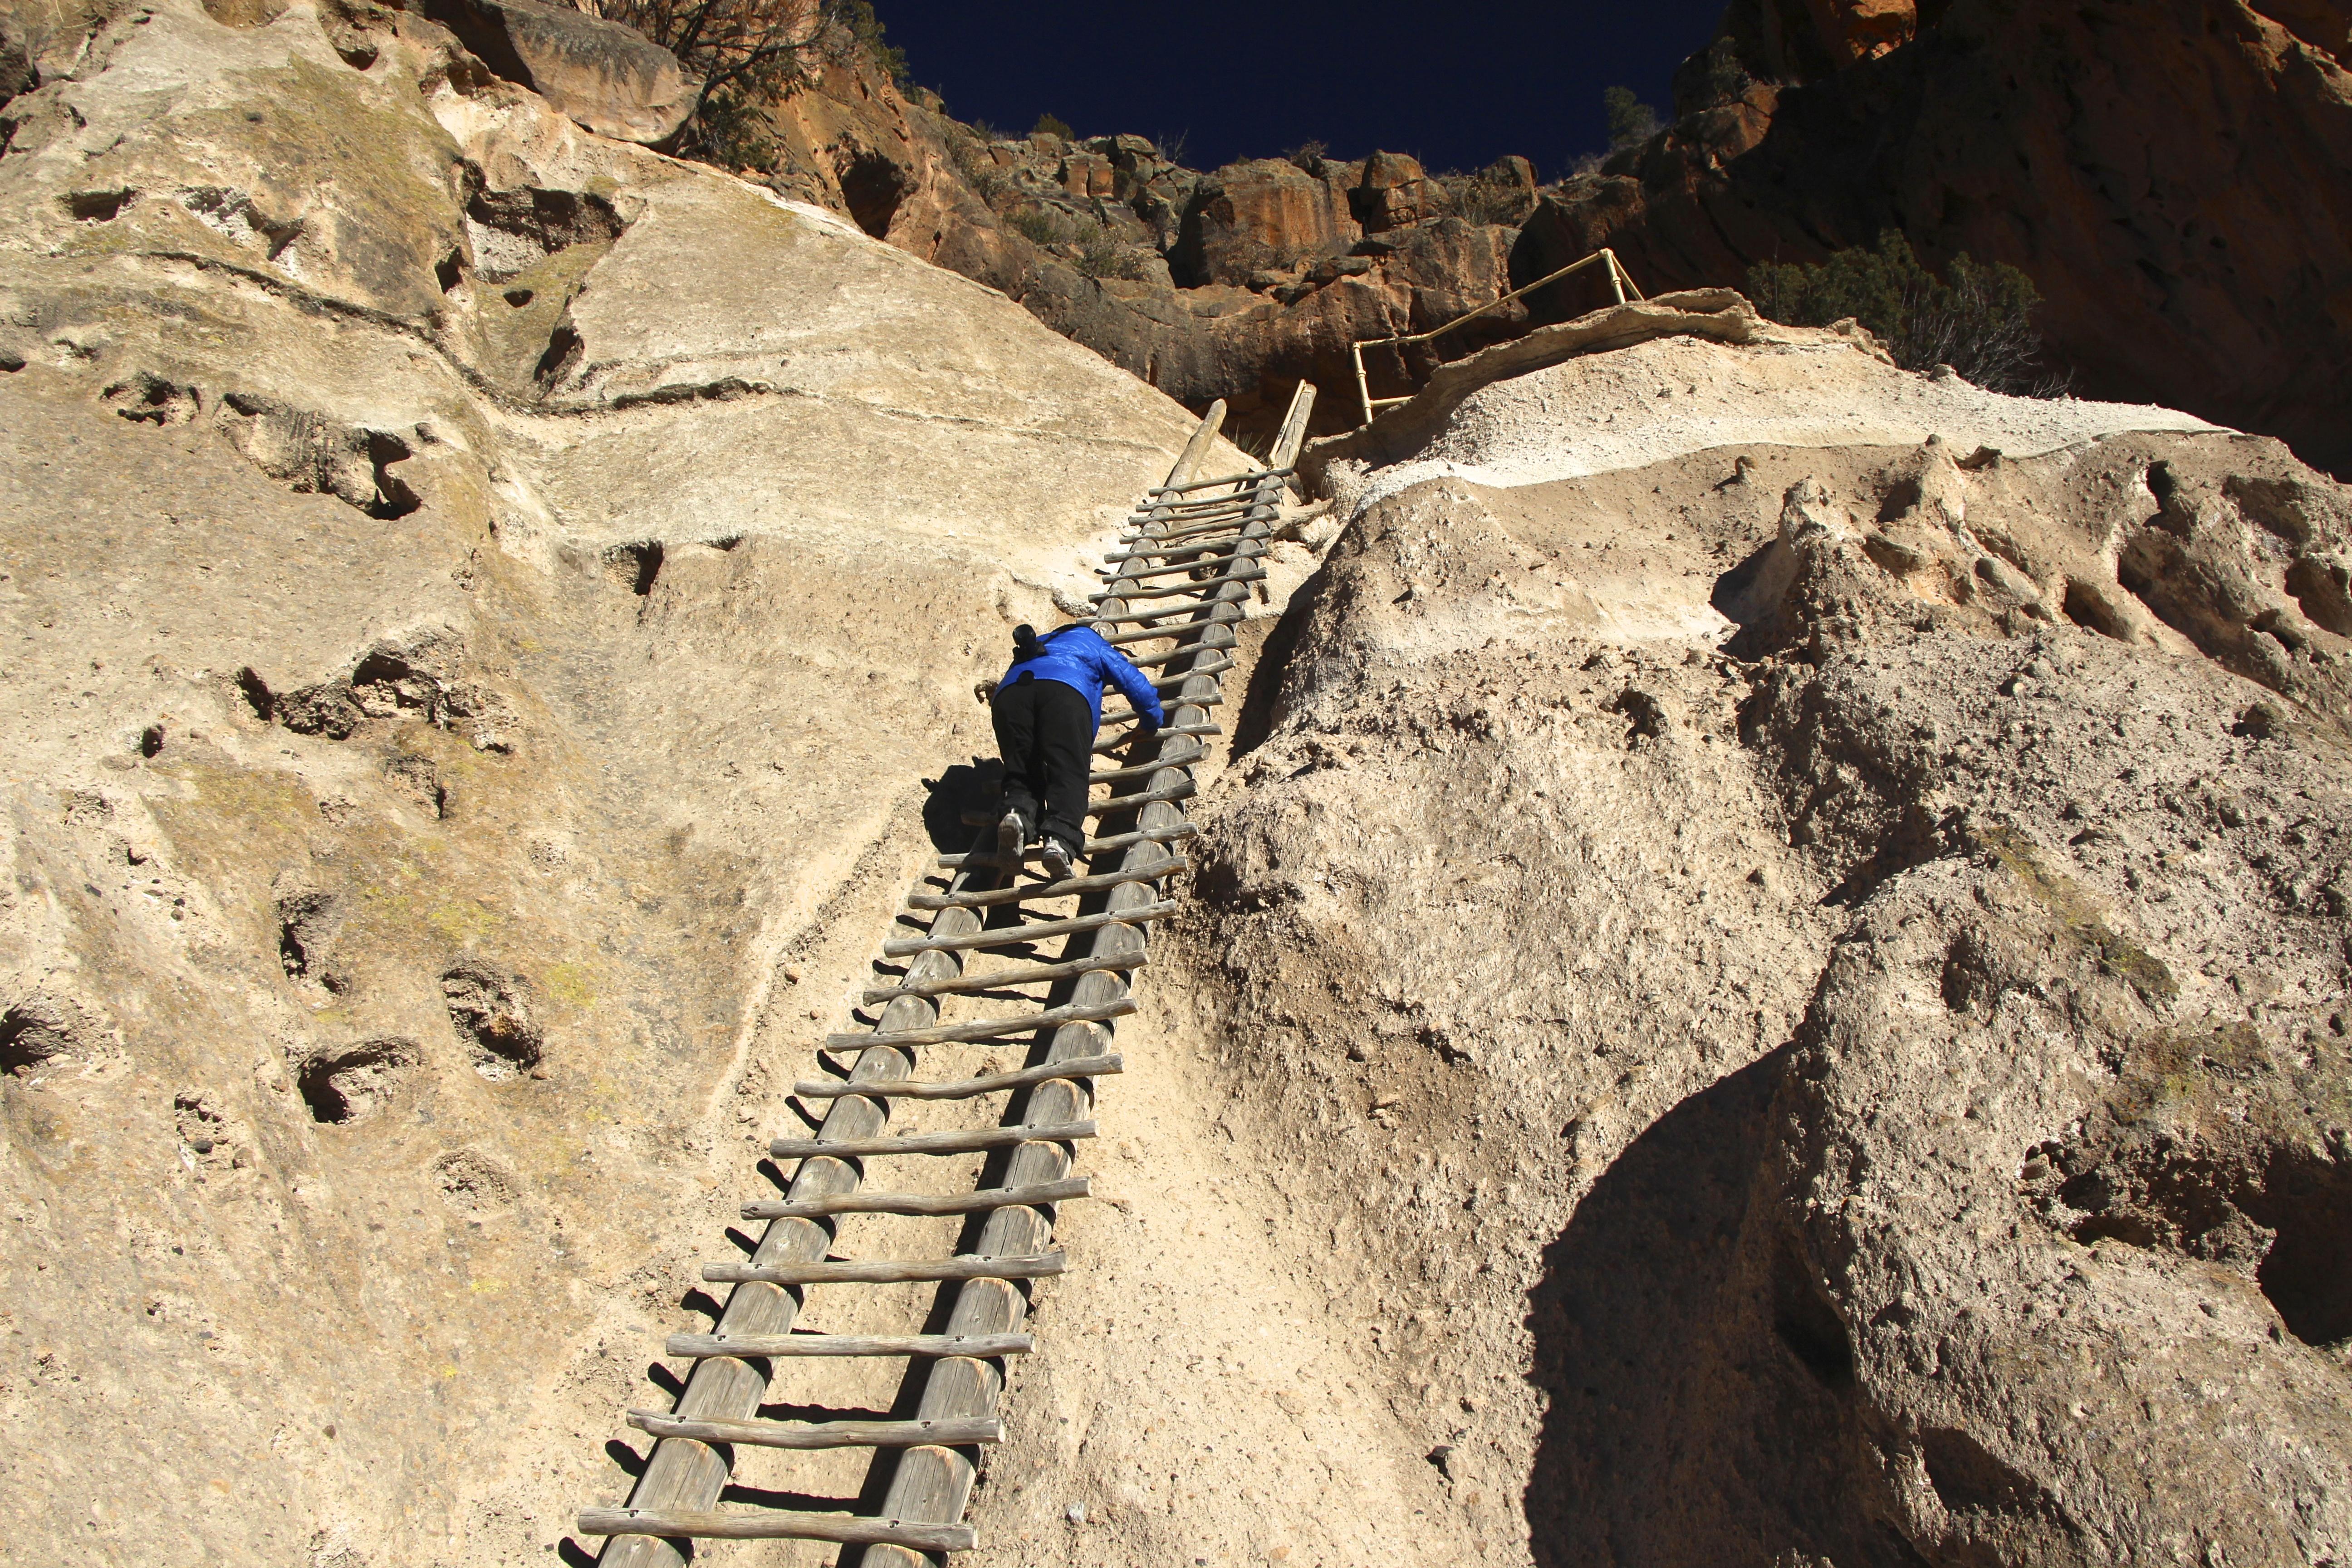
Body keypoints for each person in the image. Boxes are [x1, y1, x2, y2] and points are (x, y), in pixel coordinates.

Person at [977, 621, 1166, 879]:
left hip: (1009, 697)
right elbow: (1131, 679)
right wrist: (1152, 719)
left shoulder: (1041, 641)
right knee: (1068, 771)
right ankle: (1059, 841)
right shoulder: (1089, 640)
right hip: (1064, 693)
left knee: (1021, 770)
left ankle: (1017, 817)